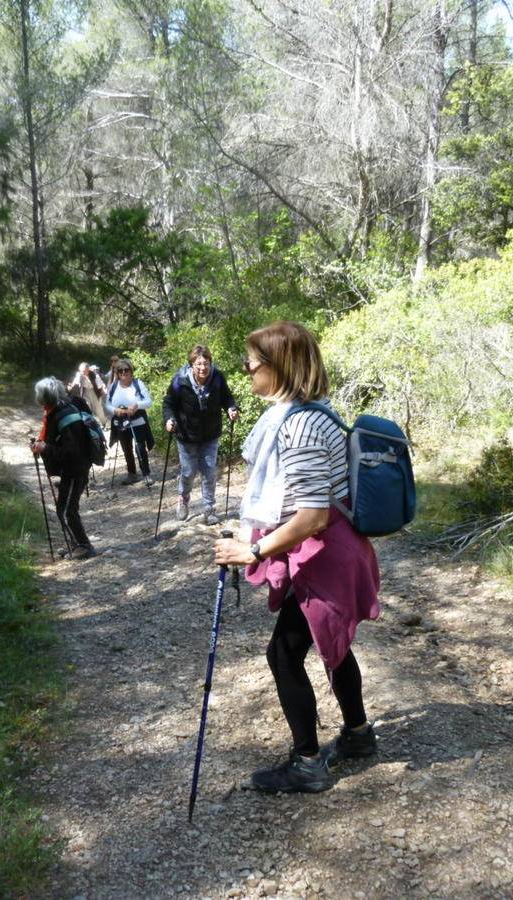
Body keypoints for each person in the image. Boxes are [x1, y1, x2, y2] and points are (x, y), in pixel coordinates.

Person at [213, 321, 380, 794]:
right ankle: (358, 736)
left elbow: (312, 517)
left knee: (284, 655)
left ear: (279, 366)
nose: (246, 368)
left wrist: (254, 549)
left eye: (253, 361)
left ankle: (308, 764)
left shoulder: (301, 426)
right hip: (330, 552)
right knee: (333, 647)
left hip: (325, 556)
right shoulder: (306, 414)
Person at [163, 344, 239, 525]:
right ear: (191, 365)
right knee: (188, 472)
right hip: (186, 435)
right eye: (199, 364)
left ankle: (209, 508)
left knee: (209, 472)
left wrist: (231, 408)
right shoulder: (180, 380)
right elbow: (168, 404)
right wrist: (169, 419)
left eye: (206, 363)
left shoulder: (218, 378)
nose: (203, 368)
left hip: (211, 434)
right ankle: (183, 499)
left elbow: (227, 397)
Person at [31, 377, 95, 559]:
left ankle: (84, 546)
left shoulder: (65, 416)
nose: (36, 397)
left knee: (67, 510)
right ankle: (76, 544)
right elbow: (56, 441)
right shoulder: (56, 412)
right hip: (70, 469)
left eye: (38, 393)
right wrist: (42, 445)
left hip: (76, 469)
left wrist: (45, 448)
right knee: (63, 509)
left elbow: (72, 451)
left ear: (45, 396)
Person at [104, 358, 155, 486]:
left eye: (126, 370)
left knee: (140, 447)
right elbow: (107, 404)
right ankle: (131, 474)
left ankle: (146, 474)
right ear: (117, 373)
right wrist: (115, 410)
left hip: (137, 420)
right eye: (120, 371)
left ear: (131, 371)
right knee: (126, 448)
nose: (123, 373)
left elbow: (148, 402)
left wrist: (137, 405)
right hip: (121, 422)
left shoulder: (138, 384)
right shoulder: (113, 386)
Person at [68, 361, 108, 427]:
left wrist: (103, 390)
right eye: (81, 371)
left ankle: (104, 423)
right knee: (87, 407)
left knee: (98, 408)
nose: (82, 372)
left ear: (88, 370)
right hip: (85, 392)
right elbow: (75, 382)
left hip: (94, 391)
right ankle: (92, 423)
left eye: (84, 371)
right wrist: (71, 387)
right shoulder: (80, 375)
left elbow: (100, 383)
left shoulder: (94, 374)